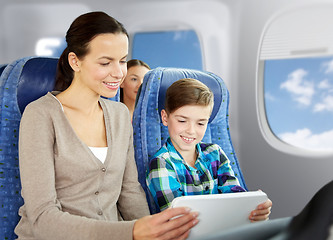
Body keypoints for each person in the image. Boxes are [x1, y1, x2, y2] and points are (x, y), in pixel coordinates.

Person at [15, 11, 198, 240]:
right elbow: (43, 218)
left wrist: (153, 232)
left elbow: (130, 192)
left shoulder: (119, 114)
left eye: (122, 60)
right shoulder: (40, 115)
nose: (118, 72)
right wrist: (132, 231)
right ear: (75, 61)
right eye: (105, 62)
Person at [146, 78, 272, 221]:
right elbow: (177, 218)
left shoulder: (215, 153)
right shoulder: (160, 163)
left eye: (200, 123)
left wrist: (252, 208)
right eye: (182, 121)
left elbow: (234, 195)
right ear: (165, 118)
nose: (191, 131)